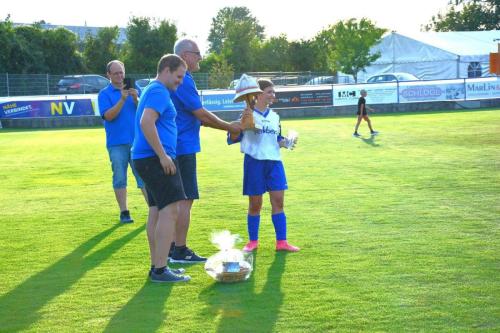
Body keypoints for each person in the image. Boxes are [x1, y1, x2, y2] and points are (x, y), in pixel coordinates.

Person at [169, 38, 242, 263]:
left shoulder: (179, 79)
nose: (201, 57)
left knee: (176, 200)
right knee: (185, 199)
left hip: (177, 144)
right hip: (182, 146)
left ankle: (172, 247)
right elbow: (200, 114)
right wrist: (230, 126)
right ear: (184, 56)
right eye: (197, 53)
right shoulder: (184, 80)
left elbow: (197, 116)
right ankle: (179, 249)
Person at [131, 54, 191, 283]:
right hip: (154, 159)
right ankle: (160, 268)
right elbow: (146, 122)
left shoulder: (152, 90)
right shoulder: (158, 91)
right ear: (166, 69)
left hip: (146, 158)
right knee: (170, 210)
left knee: (157, 210)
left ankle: (157, 265)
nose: (180, 81)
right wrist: (163, 155)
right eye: (179, 76)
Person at [228, 78, 300, 253]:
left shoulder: (275, 116)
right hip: (254, 163)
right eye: (269, 92)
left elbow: (276, 139)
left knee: (278, 202)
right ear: (258, 94)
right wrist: (242, 126)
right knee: (255, 204)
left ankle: (281, 242)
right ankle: (253, 241)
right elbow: (232, 138)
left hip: (274, 163)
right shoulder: (247, 114)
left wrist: (286, 142)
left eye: (273, 92)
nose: (273, 96)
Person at [98, 60, 147, 223]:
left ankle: (153, 209)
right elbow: (109, 116)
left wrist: (135, 98)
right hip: (116, 143)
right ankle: (124, 211)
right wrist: (122, 100)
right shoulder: (104, 94)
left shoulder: (135, 90)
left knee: (143, 176)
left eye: (121, 72)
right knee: (119, 177)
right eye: (116, 73)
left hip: (137, 141)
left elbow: (145, 112)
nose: (120, 76)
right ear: (108, 75)